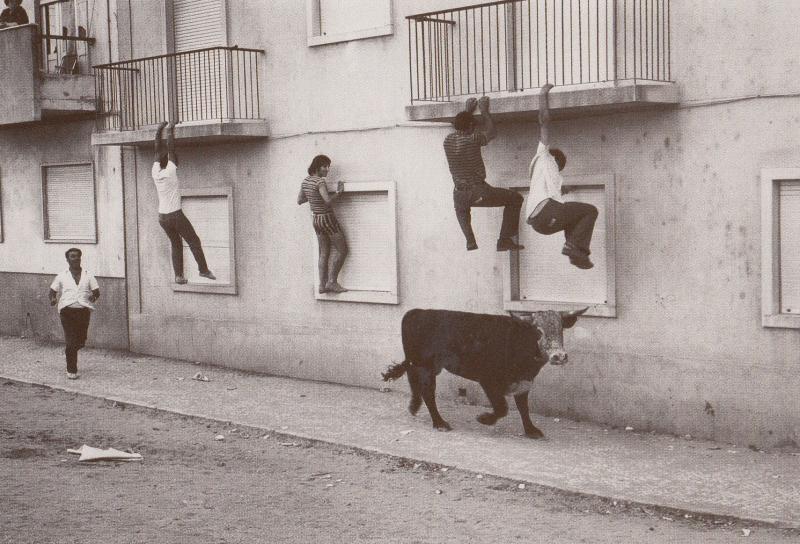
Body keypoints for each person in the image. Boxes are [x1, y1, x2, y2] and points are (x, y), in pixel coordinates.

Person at [525, 84, 598, 269]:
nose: (559, 170)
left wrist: (565, 189)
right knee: (590, 211)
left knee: (571, 215)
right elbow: (544, 121)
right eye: (561, 166)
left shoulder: (543, 175)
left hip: (539, 224)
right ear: (557, 159)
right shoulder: (544, 155)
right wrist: (543, 95)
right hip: (548, 212)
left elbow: (554, 191)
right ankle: (574, 247)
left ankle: (576, 253)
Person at [443, 96, 524, 252]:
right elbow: (492, 132)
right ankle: (504, 240)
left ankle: (470, 241)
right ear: (471, 127)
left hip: (459, 192)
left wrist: (467, 112)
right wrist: (485, 111)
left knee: (461, 210)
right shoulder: (473, 138)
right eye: (473, 126)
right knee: (515, 199)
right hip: (478, 191)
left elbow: (461, 125)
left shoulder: (448, 140)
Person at [152, 120, 215, 284]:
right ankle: (203, 270)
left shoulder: (155, 172)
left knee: (175, 243)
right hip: (175, 215)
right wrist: (171, 130)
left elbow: (158, 150)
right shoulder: (171, 172)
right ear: (173, 164)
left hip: (162, 217)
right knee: (194, 241)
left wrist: (160, 130)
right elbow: (171, 149)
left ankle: (178, 275)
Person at [297, 154, 348, 294]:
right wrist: (339, 192)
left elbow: (300, 200)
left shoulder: (306, 181)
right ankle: (331, 282)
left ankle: (321, 285)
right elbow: (328, 201)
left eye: (328, 167)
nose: (327, 169)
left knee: (323, 252)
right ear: (317, 167)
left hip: (316, 220)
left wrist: (314, 199)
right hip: (327, 219)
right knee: (342, 250)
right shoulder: (319, 182)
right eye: (325, 166)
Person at [49, 248, 99, 380]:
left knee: (81, 342)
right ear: (67, 259)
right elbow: (52, 291)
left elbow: (96, 291)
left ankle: (69, 351)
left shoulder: (88, 275)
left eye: (77, 256)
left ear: (80, 258)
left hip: (83, 311)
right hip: (67, 311)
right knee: (71, 341)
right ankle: (71, 370)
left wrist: (93, 298)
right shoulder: (62, 275)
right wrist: (53, 299)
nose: (75, 259)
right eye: (72, 256)